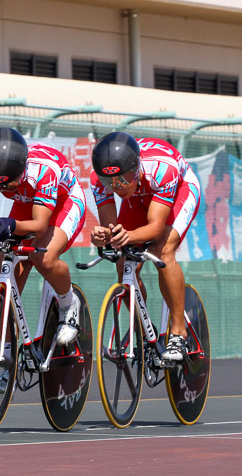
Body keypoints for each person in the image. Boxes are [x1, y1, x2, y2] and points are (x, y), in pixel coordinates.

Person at [89, 131, 200, 362]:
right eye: (109, 181)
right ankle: (144, 330)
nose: (117, 187)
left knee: (163, 251)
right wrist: (104, 236)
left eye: (123, 179)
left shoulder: (162, 168)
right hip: (139, 198)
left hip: (179, 190)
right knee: (122, 260)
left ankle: (179, 333)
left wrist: (127, 235)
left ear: (137, 168)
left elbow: (156, 227)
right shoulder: (98, 179)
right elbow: (112, 229)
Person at [0, 128, 87, 346]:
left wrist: (11, 224)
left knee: (43, 256)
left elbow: (40, 227)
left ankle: (69, 303)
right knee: (6, 260)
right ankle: (10, 350)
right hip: (26, 204)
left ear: (22, 169)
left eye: (9, 184)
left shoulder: (43, 170)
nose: (2, 189)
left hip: (65, 202)